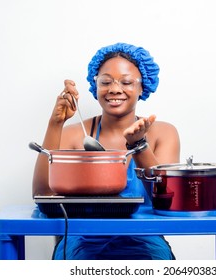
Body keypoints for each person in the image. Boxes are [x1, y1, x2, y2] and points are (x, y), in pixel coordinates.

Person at [32, 42, 180, 260]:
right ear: (95, 85)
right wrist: (56, 123)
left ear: (142, 87)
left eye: (127, 82)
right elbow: (43, 194)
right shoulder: (74, 134)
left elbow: (167, 201)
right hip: (81, 241)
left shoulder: (163, 133)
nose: (115, 89)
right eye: (106, 82)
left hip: (146, 241)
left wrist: (139, 145)